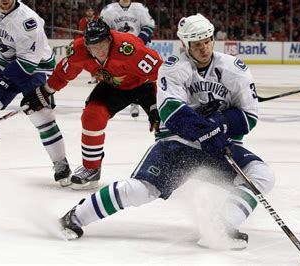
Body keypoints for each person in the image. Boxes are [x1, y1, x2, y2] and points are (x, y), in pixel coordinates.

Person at [58, 14, 275, 250]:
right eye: (196, 44)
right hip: (177, 144)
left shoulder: (235, 70)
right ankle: (76, 216)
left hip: (218, 145)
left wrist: (219, 122)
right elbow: (172, 112)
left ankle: (221, 226)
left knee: (261, 175)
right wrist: (205, 129)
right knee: (141, 190)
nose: (203, 48)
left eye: (206, 41)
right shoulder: (172, 68)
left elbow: (249, 118)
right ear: (185, 44)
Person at [37, 18, 162, 190]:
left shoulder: (129, 48)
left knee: (164, 122)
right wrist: (45, 91)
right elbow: (63, 73)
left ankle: (179, 167)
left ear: (110, 39)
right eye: (94, 48)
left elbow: (160, 73)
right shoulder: (78, 50)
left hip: (144, 85)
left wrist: (158, 104)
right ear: (86, 46)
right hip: (114, 87)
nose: (100, 52)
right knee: (92, 116)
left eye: (103, 45)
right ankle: (91, 168)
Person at [0, 0, 71, 187]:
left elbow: (27, 64)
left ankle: (61, 163)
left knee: (40, 113)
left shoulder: (27, 21)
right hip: (5, 63)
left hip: (36, 67)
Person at [100, 0, 156, 118]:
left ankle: (135, 101)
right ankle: (113, 102)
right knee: (121, 76)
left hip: (137, 50)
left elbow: (149, 25)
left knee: (138, 75)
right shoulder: (108, 10)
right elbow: (102, 29)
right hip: (117, 50)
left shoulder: (139, 8)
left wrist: (140, 41)